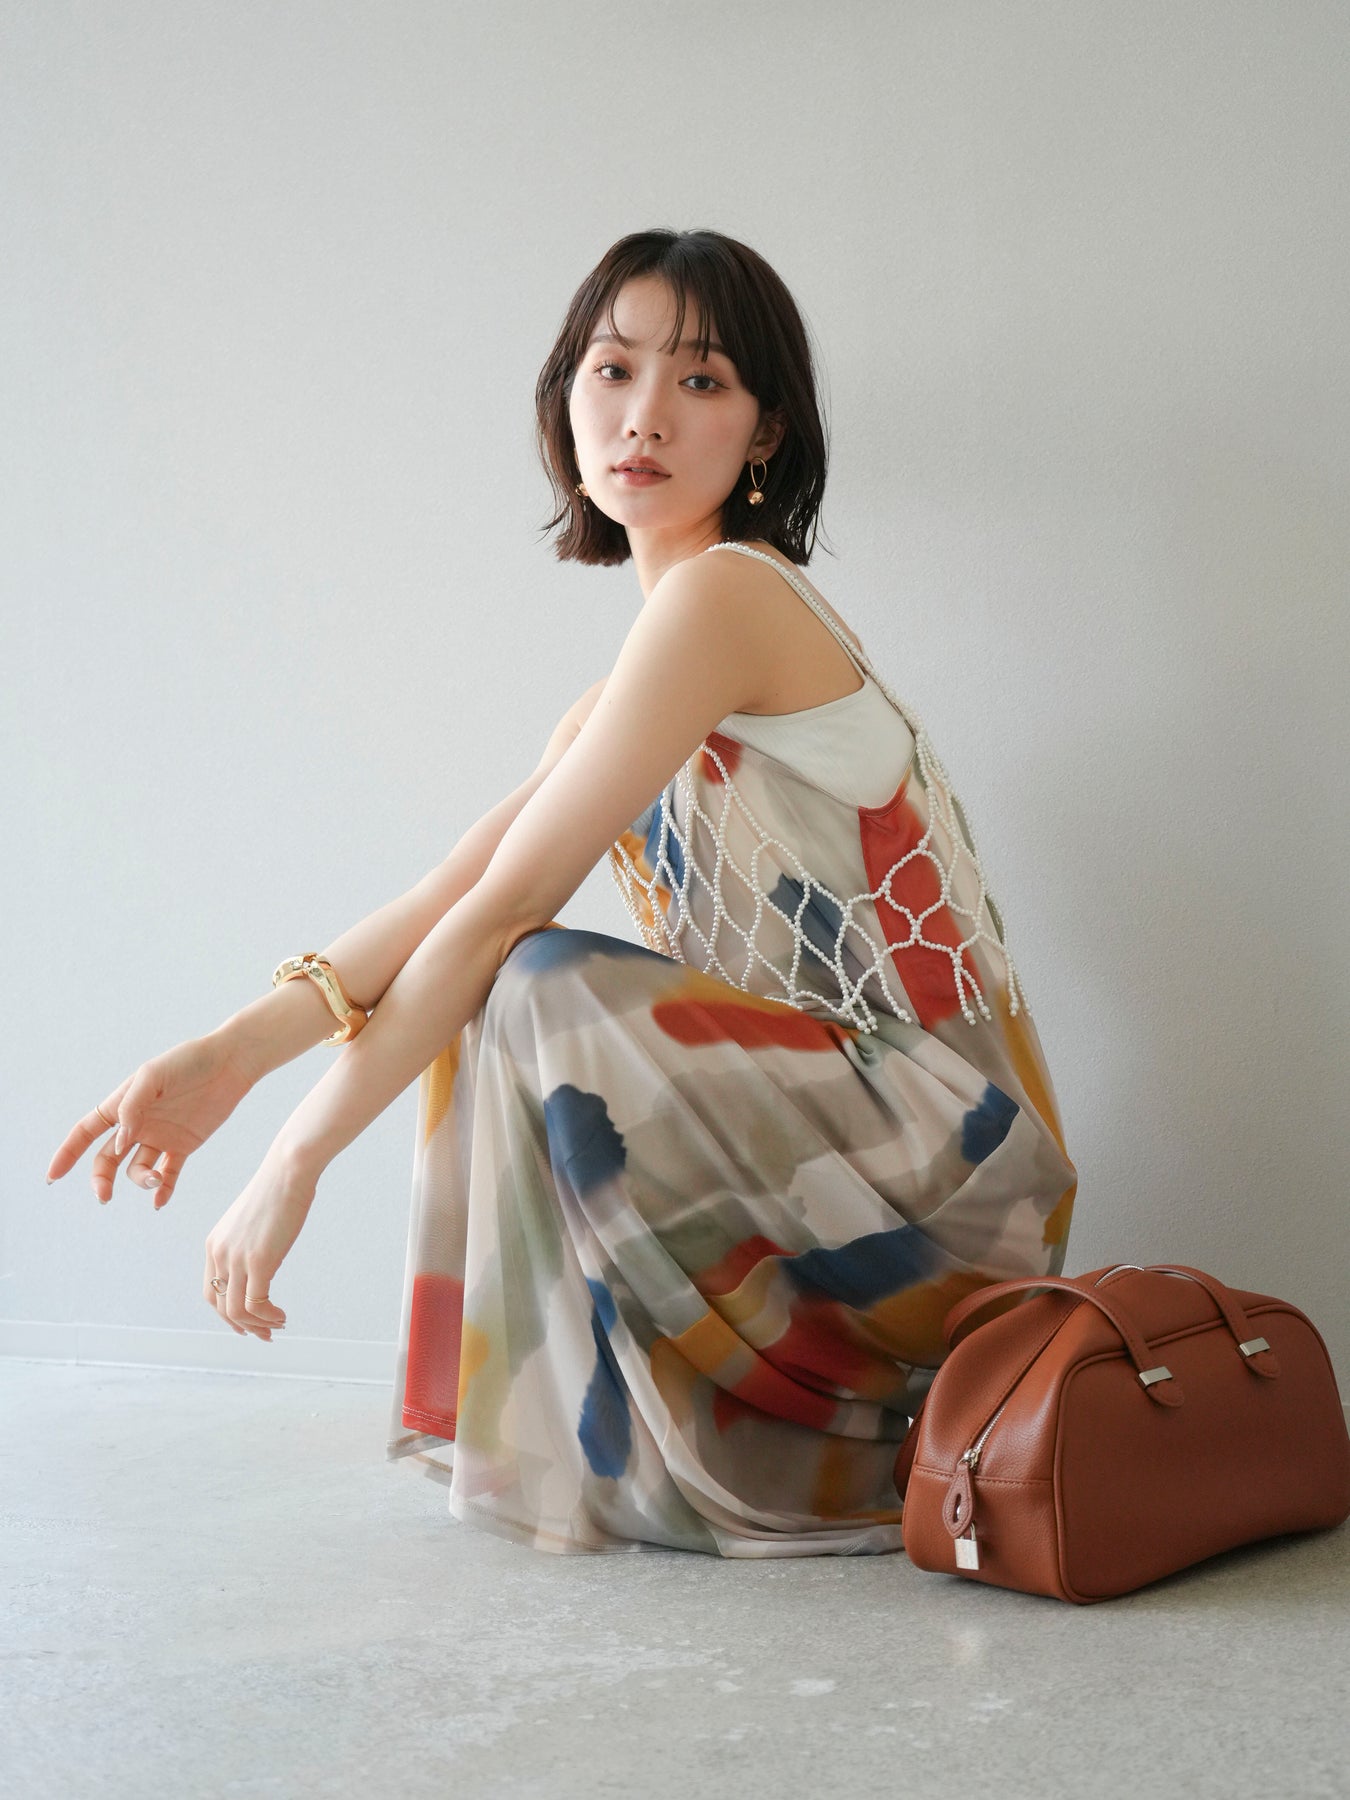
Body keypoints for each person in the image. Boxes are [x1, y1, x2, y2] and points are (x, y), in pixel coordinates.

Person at [46, 227, 1077, 1557]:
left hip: (955, 1174)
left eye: (701, 382)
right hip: (839, 1159)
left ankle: (675, 1430)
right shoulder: (630, 685)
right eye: (613, 369)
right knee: (493, 967)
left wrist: (295, 1163)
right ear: (565, 399)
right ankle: (682, 1438)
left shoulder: (728, 600)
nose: (645, 415)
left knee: (529, 976)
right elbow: (452, 892)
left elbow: (499, 917)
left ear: (765, 434)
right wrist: (227, 1057)